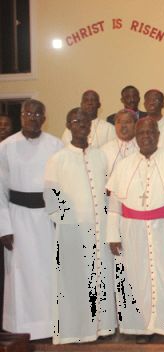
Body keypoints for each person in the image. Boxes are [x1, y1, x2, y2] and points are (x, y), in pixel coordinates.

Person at [44, 108, 117, 344]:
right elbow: (52, 198)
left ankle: (103, 328)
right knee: (76, 282)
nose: (81, 124)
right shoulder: (58, 158)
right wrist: (69, 225)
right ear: (68, 125)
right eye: (76, 121)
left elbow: (107, 191)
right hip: (73, 232)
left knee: (101, 278)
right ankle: (77, 331)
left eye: (85, 121)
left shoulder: (99, 156)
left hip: (100, 231)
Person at [106, 118, 164, 343]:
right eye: (141, 133)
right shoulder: (124, 165)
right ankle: (142, 329)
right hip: (132, 231)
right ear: (136, 137)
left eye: (151, 132)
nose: (146, 136)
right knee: (137, 279)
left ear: (158, 135)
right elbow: (114, 204)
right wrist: (112, 234)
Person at [0, 100, 63, 340]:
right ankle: (21, 326)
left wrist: (60, 217)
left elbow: (60, 185)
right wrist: (4, 226)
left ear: (44, 117)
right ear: (22, 116)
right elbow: (0, 189)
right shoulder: (6, 147)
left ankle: (50, 326)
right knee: (20, 275)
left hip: (47, 219)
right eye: (28, 113)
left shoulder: (56, 145)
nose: (33, 117)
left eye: (38, 114)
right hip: (18, 219)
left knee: (49, 272)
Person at [101, 109, 139, 177]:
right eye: (119, 122)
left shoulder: (142, 148)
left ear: (136, 124)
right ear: (115, 125)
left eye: (127, 122)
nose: (123, 125)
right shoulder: (104, 150)